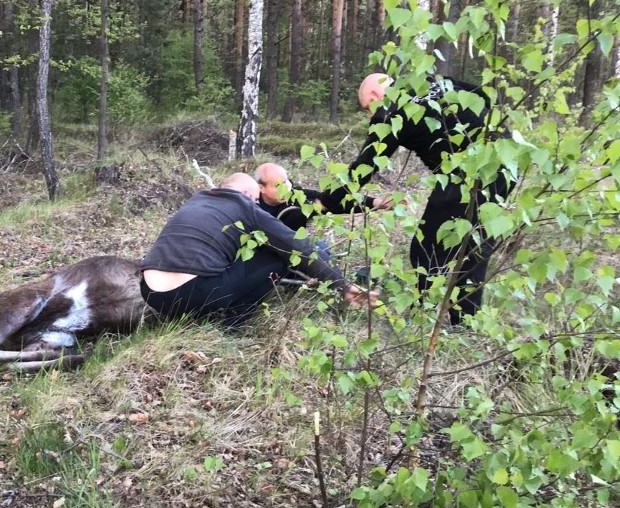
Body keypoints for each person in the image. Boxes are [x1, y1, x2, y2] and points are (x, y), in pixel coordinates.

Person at [321, 73, 515, 325]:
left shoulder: (389, 111)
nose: (370, 116)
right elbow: (482, 94)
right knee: (475, 244)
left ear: (374, 97)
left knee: (427, 247)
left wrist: (329, 200)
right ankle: (465, 321)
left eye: (367, 109)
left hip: (465, 173)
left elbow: (365, 166)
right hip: (506, 160)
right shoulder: (431, 79)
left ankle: (423, 319)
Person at [140, 173, 377, 327]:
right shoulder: (245, 206)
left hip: (150, 292)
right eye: (255, 199)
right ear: (245, 194)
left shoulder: (197, 200)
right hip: (195, 293)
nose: (256, 204)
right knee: (279, 256)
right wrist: (343, 285)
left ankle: (192, 318)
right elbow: (298, 246)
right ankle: (231, 324)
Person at [254, 162, 393, 231]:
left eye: (286, 182)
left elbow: (333, 201)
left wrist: (376, 203)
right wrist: (313, 209)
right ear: (262, 188)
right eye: (278, 186)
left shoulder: (293, 193)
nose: (285, 188)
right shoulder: (249, 204)